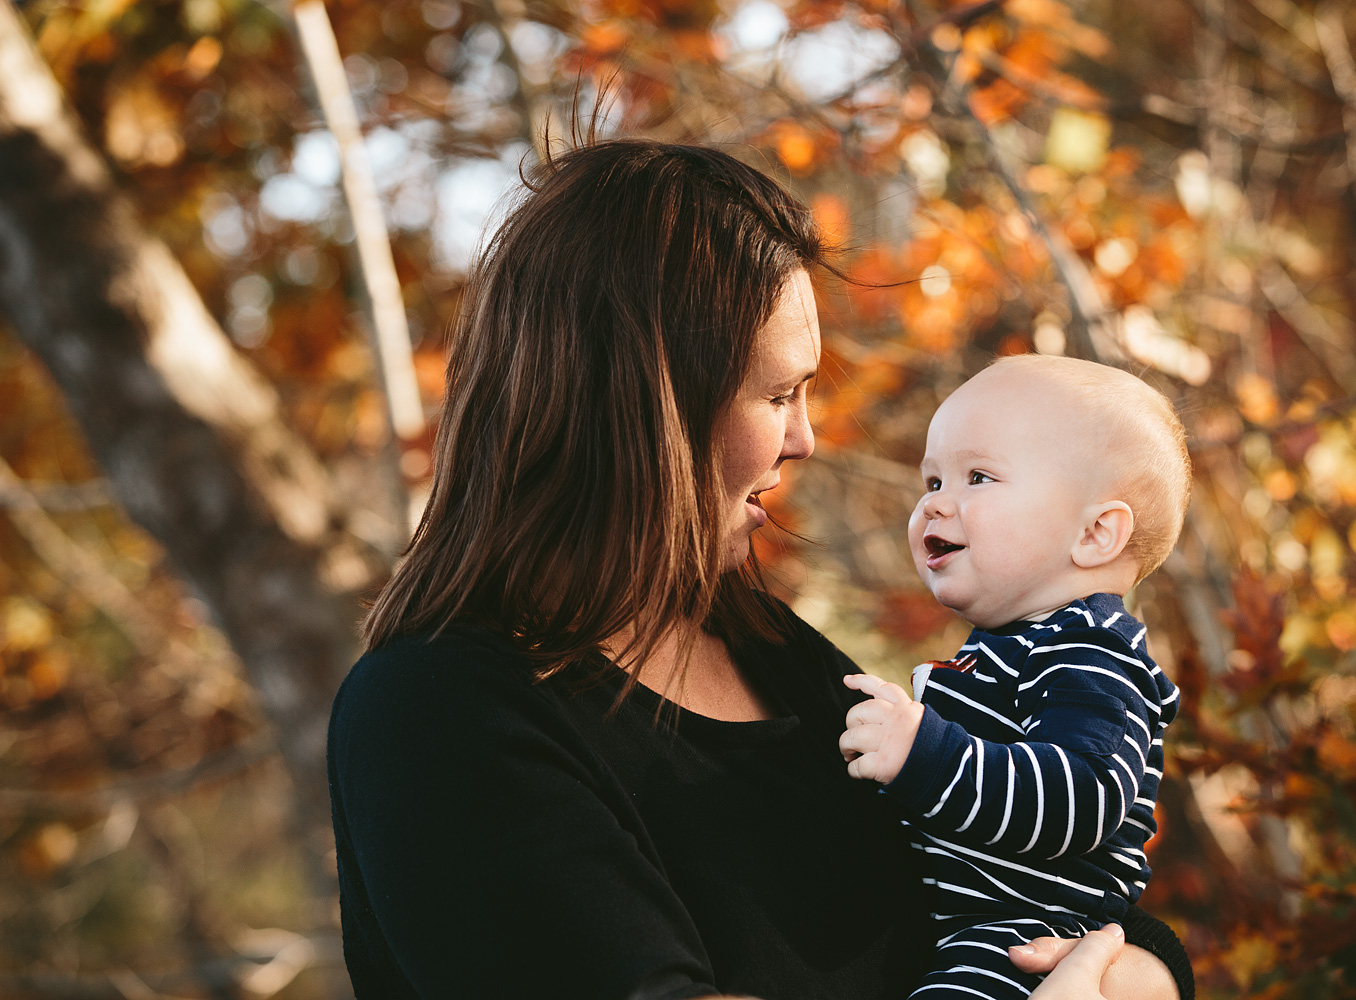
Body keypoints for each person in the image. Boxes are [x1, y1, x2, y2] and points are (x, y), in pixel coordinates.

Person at [326, 138, 1193, 999]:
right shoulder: (437, 714)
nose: (805, 439)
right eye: (778, 395)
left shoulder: (774, 654)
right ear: (645, 403)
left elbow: (1047, 889)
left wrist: (1141, 977)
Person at [838, 356, 1192, 1000]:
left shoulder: (1091, 649)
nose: (934, 504)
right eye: (933, 480)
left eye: (976, 477)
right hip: (968, 933)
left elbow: (1081, 795)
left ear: (1095, 533)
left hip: (1026, 946)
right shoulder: (1010, 646)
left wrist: (924, 752)